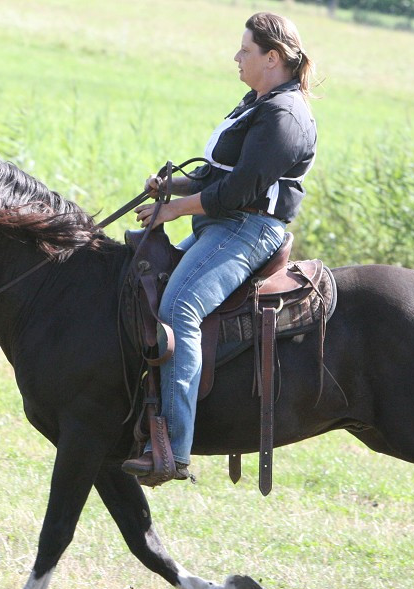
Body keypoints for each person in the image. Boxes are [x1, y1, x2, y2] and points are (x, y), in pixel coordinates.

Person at [121, 11, 318, 484]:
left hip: (247, 231)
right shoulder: (257, 101)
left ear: (272, 58)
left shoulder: (285, 116)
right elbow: (218, 176)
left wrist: (173, 210)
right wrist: (174, 185)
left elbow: (238, 193)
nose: (237, 57)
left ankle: (173, 448)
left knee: (180, 309)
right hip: (222, 223)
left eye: (245, 50)